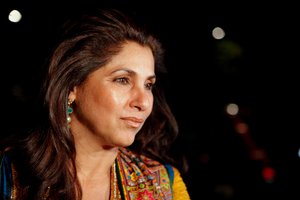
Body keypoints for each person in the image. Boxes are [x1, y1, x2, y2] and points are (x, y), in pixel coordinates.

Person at [0, 8, 190, 200]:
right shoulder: (9, 175)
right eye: (123, 80)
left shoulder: (163, 185)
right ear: (73, 86)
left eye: (148, 85)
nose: (143, 102)